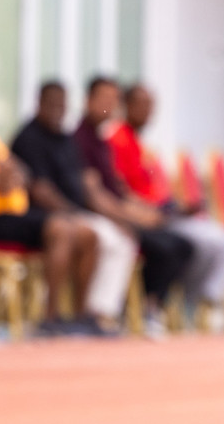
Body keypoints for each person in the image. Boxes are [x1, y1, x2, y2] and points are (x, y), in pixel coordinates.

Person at [0, 81, 108, 334]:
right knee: (61, 228)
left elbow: (18, 168)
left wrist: (12, 176)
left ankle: (79, 315)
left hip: (8, 215)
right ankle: (49, 318)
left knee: (87, 233)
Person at [10, 82, 141, 331]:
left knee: (95, 234)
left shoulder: (66, 139)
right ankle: (51, 316)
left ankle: (84, 316)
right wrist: (75, 212)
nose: (58, 110)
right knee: (88, 233)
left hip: (75, 212)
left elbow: (86, 182)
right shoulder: (29, 137)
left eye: (62, 104)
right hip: (44, 215)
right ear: (39, 103)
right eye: (52, 104)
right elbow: (40, 191)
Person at [107, 83, 224, 314]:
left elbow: (157, 190)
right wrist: (153, 210)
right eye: (142, 105)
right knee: (198, 247)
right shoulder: (118, 140)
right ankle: (186, 304)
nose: (148, 112)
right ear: (126, 106)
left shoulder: (139, 143)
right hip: (148, 217)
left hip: (167, 212)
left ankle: (202, 300)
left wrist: (180, 206)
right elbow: (122, 191)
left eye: (151, 106)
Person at [72, 78, 198, 316]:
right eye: (103, 99)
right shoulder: (84, 140)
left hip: (121, 212)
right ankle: (103, 314)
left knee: (180, 245)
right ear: (87, 100)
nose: (108, 106)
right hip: (98, 215)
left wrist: (147, 213)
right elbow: (95, 196)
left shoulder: (102, 142)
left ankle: (148, 308)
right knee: (138, 244)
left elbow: (119, 192)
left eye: (113, 100)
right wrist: (132, 218)